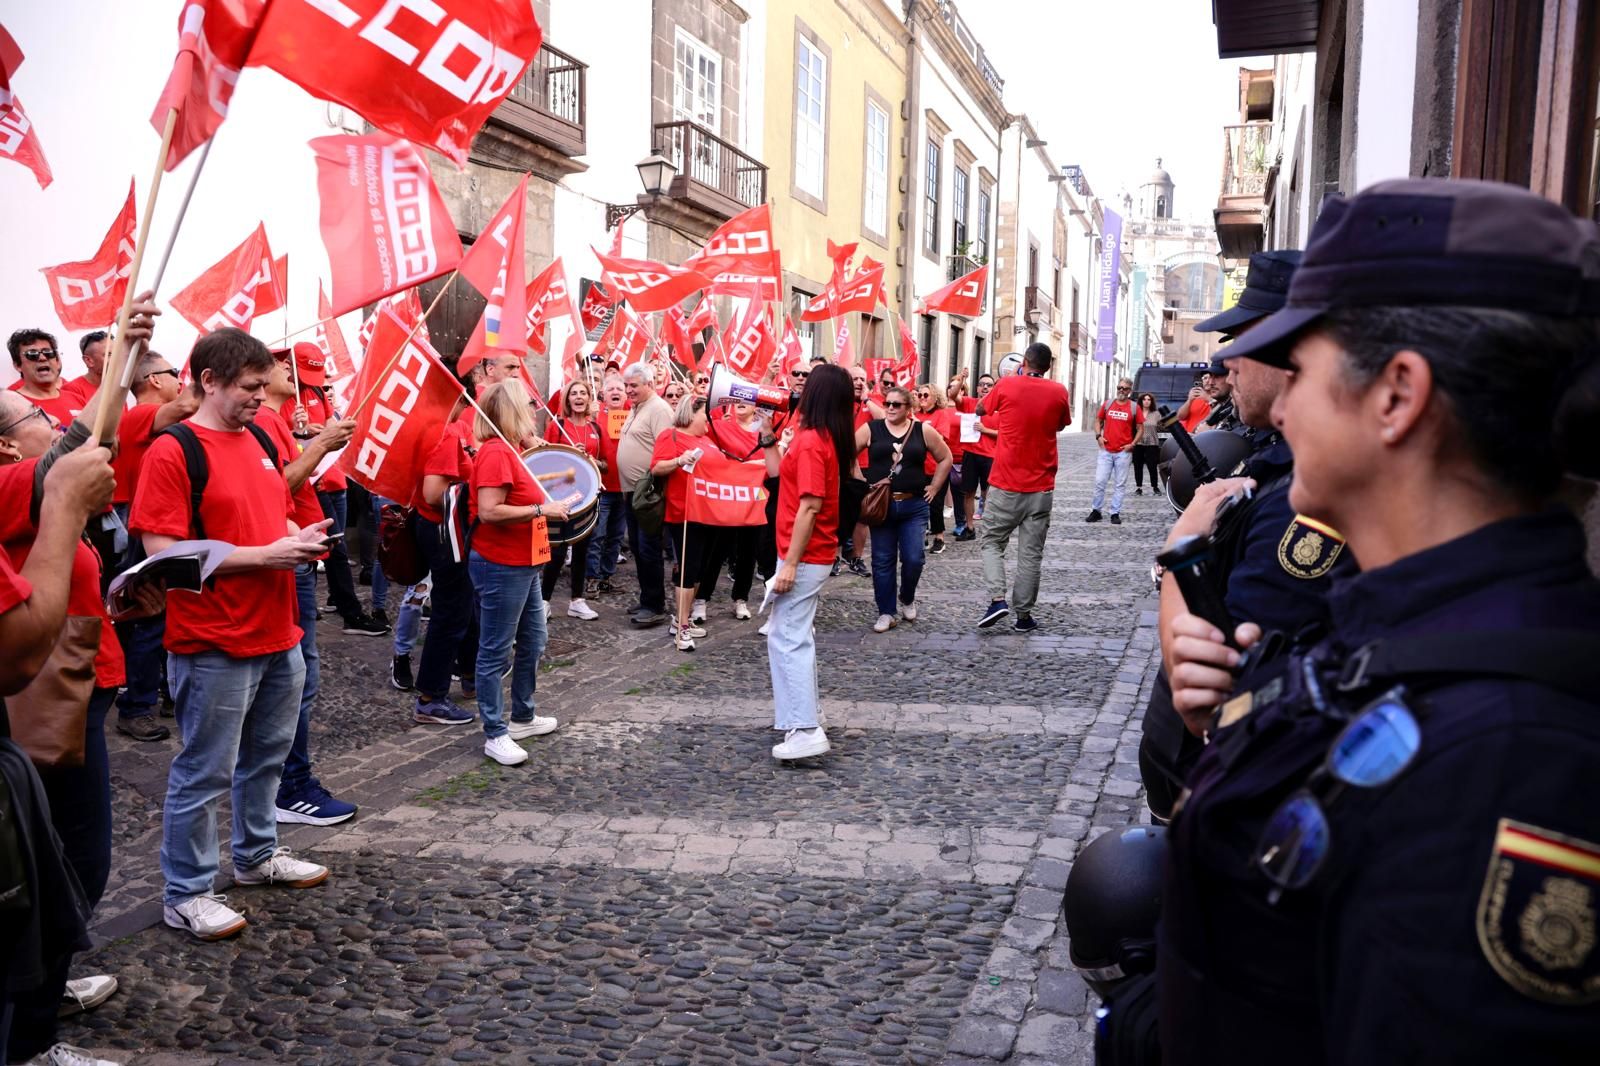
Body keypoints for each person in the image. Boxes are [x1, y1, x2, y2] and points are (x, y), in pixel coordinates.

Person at [1153, 179, 1600, 1064]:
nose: (1280, 408)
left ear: (1397, 396)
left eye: (1305, 372)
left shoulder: (1514, 760)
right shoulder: (1414, 630)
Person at [130, 327, 334, 943]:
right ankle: (187, 892)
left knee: (267, 757)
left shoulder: (260, 438)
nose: (260, 397)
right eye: (250, 387)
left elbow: (271, 514)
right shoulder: (174, 449)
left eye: (263, 385)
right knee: (204, 770)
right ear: (208, 382)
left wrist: (302, 539)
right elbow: (161, 553)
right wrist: (264, 556)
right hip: (213, 638)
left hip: (278, 629)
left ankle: (255, 857)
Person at [1136, 250, 1349, 823]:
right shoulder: (1275, 464)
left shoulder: (1305, 499)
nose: (1226, 363)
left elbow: (1217, 698)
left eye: (1242, 340)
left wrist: (1182, 549)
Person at [0, 303, 159, 1065]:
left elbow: (74, 448)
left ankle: (40, 996)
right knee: (57, 866)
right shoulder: (15, 489)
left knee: (63, 865)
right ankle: (31, 1031)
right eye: (32, 416)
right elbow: (68, 459)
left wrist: (122, 360)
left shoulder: (27, 478)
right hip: (39, 705)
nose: (50, 416)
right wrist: (63, 502)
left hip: (80, 692)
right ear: (7, 446)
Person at [259, 349, 360, 826]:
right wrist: (319, 444)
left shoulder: (276, 417)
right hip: (286, 558)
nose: (291, 376)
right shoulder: (262, 417)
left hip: (296, 554)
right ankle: (288, 786)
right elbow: (277, 487)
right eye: (282, 367)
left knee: (299, 677)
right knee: (294, 680)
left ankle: (286, 782)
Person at [469, 379, 568, 767]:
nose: (533, 409)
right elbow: (489, 511)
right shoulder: (496, 452)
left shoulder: (510, 448)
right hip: (502, 564)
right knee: (495, 649)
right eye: (527, 404)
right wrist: (542, 510)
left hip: (524, 561)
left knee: (534, 640)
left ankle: (523, 716)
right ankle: (495, 732)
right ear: (511, 410)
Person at [109, 349, 198, 742]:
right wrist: (210, 376)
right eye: (174, 373)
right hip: (143, 519)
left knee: (165, 611)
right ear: (154, 381)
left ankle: (162, 694)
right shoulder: (141, 414)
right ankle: (136, 706)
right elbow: (184, 408)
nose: (180, 379)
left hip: (155, 516)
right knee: (150, 615)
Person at [766, 363, 851, 761]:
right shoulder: (821, 438)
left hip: (806, 553)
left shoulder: (814, 441)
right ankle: (802, 718)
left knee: (789, 640)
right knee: (792, 637)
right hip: (806, 552)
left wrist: (790, 564)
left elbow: (810, 506)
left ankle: (805, 727)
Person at [392, 384, 478, 725]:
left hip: (437, 528)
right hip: (444, 530)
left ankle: (470, 675)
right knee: (450, 611)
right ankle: (431, 697)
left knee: (463, 602)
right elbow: (433, 493)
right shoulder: (443, 432)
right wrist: (475, 491)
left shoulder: (430, 426)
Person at [289, 343, 387, 637]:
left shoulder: (318, 391)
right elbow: (283, 440)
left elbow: (332, 424)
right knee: (330, 548)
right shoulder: (283, 396)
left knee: (336, 547)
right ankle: (348, 612)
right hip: (305, 482)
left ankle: (340, 603)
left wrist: (333, 431)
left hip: (331, 477)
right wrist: (300, 432)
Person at [974, 343, 1071, 631]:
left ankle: (996, 599)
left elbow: (980, 408)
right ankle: (1023, 616)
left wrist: (1014, 378)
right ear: (1048, 367)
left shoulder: (1006, 384)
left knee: (992, 542)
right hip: (1041, 488)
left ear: (1024, 361)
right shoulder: (1058, 391)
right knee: (1030, 554)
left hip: (1005, 483)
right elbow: (1062, 425)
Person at [858, 386, 950, 632]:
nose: (889, 407)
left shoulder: (922, 430)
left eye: (896, 404)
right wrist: (859, 481)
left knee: (914, 558)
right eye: (887, 403)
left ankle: (907, 597)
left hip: (914, 504)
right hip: (882, 505)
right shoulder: (871, 429)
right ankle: (886, 611)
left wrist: (935, 487)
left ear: (909, 409)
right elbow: (847, 453)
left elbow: (945, 458)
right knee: (882, 560)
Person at [650, 394, 714, 651]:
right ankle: (682, 624)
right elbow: (656, 467)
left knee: (698, 568)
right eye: (704, 415)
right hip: (683, 512)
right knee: (687, 568)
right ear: (692, 413)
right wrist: (679, 460)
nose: (708, 420)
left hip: (706, 511)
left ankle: (682, 618)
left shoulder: (706, 439)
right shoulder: (671, 436)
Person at [694, 400, 764, 623]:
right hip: (726, 498)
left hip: (753, 500)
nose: (742, 404)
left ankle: (740, 598)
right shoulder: (720, 426)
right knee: (717, 550)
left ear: (756, 407)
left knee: (748, 551)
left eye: (748, 401)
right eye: (738, 400)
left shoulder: (765, 430)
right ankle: (701, 599)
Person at [616, 363, 674, 628]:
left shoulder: (660, 410)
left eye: (634, 386)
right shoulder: (636, 408)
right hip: (632, 491)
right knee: (639, 549)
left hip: (649, 493)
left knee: (649, 549)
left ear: (649, 384)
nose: (629, 390)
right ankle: (647, 598)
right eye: (627, 385)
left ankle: (655, 605)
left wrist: (654, 488)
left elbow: (666, 450)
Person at [541, 379, 601, 621]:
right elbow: (545, 459)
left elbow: (605, 464)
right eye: (573, 393)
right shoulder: (557, 425)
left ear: (588, 399)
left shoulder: (596, 429)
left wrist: (591, 461)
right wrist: (570, 456)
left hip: (586, 498)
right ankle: (544, 601)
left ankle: (577, 600)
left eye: (582, 393)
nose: (578, 397)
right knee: (557, 550)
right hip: (560, 497)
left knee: (582, 549)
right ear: (567, 400)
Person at [585, 373, 627, 597]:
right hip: (602, 487)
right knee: (597, 535)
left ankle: (606, 576)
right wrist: (590, 415)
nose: (616, 393)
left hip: (625, 487)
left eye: (620, 389)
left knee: (616, 536)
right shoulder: (594, 414)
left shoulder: (632, 414)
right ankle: (592, 578)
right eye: (611, 389)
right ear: (602, 393)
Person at [912, 383, 961, 553]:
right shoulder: (915, 415)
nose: (922, 398)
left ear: (935, 397)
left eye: (926, 395)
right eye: (920, 395)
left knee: (936, 504)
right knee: (919, 503)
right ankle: (921, 536)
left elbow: (939, 438)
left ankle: (939, 537)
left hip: (936, 467)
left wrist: (919, 424)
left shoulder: (941, 415)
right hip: (918, 468)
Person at [1086, 377, 1143, 525]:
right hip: (1106, 450)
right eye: (1119, 388)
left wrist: (1133, 444)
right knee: (1100, 481)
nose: (1121, 391)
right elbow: (1098, 420)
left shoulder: (1134, 407)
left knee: (1120, 484)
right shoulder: (1108, 404)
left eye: (1124, 388)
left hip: (1123, 452)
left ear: (1129, 391)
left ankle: (1114, 513)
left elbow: (1140, 428)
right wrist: (1098, 436)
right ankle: (1096, 511)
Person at [951, 371, 996, 522]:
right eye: (982, 384)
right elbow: (952, 395)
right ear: (977, 388)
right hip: (970, 453)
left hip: (990, 456)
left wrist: (985, 430)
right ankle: (969, 526)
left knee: (987, 492)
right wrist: (961, 379)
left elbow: (1005, 434)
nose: (985, 387)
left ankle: (987, 519)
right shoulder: (970, 402)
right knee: (968, 492)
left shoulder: (999, 408)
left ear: (993, 389)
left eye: (989, 385)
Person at [6, 328, 76, 424]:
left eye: (48, 353)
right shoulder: (9, 406)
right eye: (32, 354)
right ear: (18, 365)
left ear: (57, 361)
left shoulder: (76, 398)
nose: (42, 358)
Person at [57, 330, 107, 414]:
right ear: (89, 361)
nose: (116, 358)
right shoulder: (72, 390)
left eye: (117, 353)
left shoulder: (115, 389)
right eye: (108, 354)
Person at [1130, 391, 1162, 495]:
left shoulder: (1156, 414)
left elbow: (1163, 425)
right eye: (1144, 399)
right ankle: (1138, 488)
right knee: (1138, 466)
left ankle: (1155, 487)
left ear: (1151, 402)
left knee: (1152, 466)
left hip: (1152, 443)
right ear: (1141, 401)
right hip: (1138, 443)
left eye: (1149, 399)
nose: (1146, 401)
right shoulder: (1136, 413)